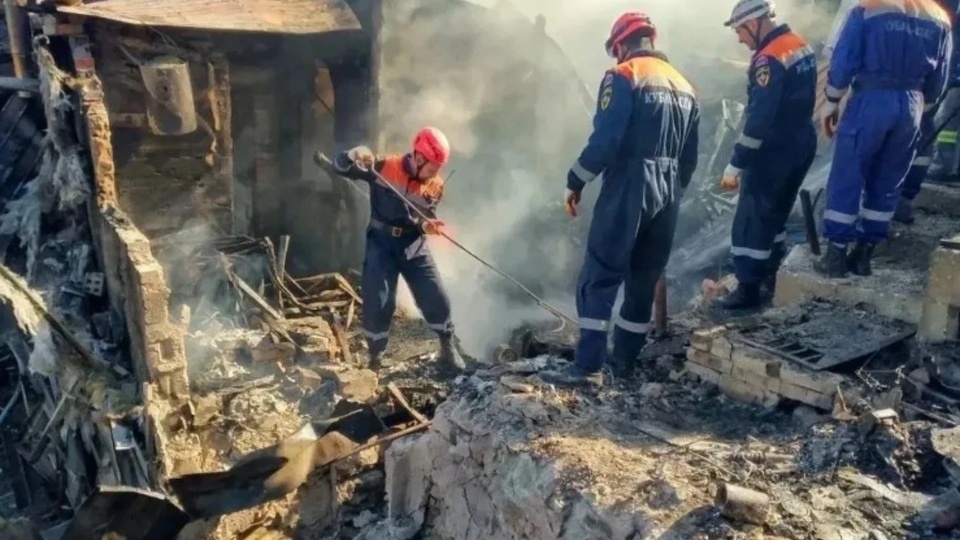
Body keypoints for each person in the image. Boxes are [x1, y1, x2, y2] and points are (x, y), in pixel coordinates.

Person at [542, 12, 700, 387]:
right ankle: (624, 364)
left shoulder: (625, 75)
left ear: (621, 45)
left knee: (600, 274)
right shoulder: (686, 86)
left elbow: (606, 140)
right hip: (669, 190)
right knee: (643, 279)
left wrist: (575, 180)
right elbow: (690, 158)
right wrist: (672, 192)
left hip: (629, 183)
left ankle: (588, 367)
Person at [818, 0, 952, 277]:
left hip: (871, 100)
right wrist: (918, 105)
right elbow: (940, 78)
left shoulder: (869, 7)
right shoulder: (939, 17)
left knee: (848, 175)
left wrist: (832, 99)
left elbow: (845, 59)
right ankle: (864, 255)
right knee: (889, 180)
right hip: (913, 104)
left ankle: (836, 256)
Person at [323, 127, 466, 374]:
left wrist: (427, 226)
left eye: (438, 169)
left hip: (413, 246)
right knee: (378, 301)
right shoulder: (384, 167)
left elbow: (425, 218)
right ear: (419, 157)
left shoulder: (435, 186)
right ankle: (376, 358)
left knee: (435, 296)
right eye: (432, 167)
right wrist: (352, 154)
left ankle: (447, 346)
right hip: (381, 243)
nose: (435, 174)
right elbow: (339, 167)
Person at [715, 0, 818, 310]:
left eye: (739, 32)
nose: (739, 39)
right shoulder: (800, 46)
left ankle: (748, 290)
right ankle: (770, 276)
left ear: (754, 23)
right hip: (801, 143)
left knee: (751, 220)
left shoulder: (768, 60)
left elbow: (759, 121)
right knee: (775, 216)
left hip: (773, 151)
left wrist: (736, 163)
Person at [895, 0, 960, 224]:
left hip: (939, 77)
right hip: (938, 75)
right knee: (932, 126)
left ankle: (942, 168)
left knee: (938, 125)